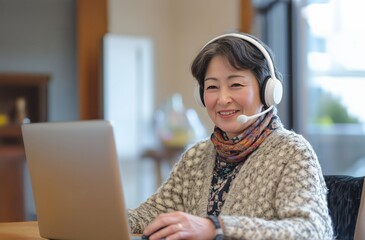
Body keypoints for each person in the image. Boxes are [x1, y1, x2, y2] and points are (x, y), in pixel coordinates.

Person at [128, 32, 333, 240]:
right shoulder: (196, 157)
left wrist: (216, 228)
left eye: (236, 85)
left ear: (267, 92)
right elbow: (151, 215)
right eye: (212, 87)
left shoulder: (292, 152)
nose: (223, 99)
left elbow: (310, 231)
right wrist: (108, 218)